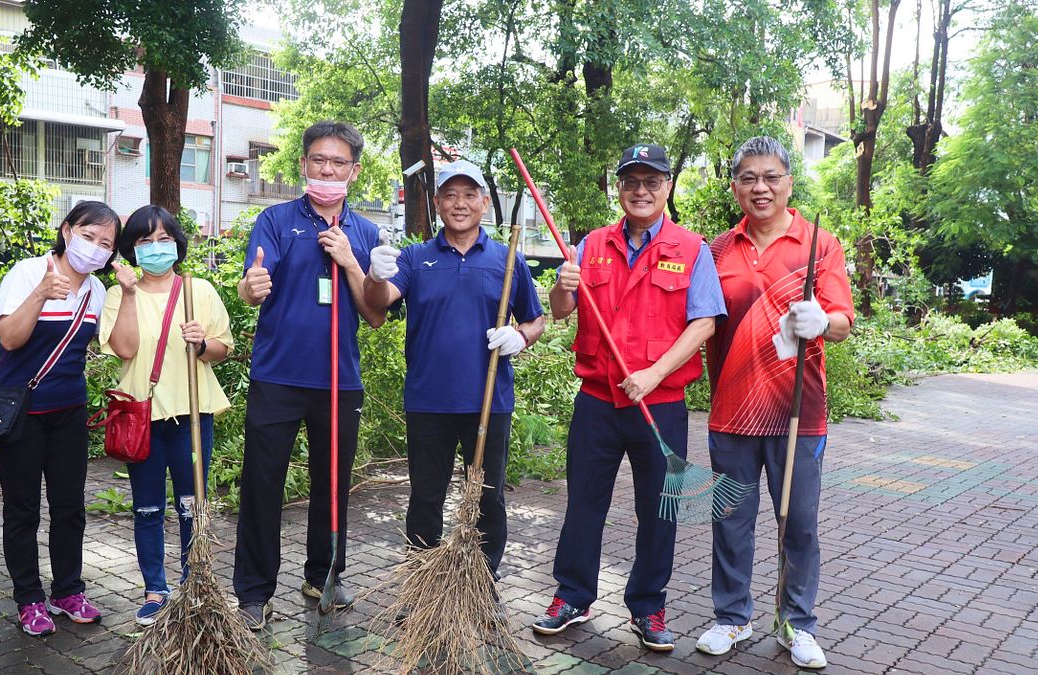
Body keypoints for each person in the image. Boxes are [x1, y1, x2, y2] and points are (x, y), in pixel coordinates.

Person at [532, 144, 726, 651]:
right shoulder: (592, 244)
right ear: (619, 188)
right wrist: (562, 286)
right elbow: (561, 310)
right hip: (597, 401)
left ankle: (648, 606)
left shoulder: (692, 249)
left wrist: (654, 374)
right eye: (631, 182)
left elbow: (704, 323)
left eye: (652, 181)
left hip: (659, 405)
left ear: (667, 187)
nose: (641, 191)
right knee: (584, 503)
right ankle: (572, 595)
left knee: (659, 511)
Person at [694, 137, 854, 669]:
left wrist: (823, 322)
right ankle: (732, 617)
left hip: (798, 414)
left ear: (788, 183)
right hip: (732, 411)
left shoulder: (819, 245)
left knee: (798, 523)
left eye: (770, 177)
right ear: (734, 186)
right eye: (748, 177)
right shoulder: (717, 250)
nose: (760, 187)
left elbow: (843, 322)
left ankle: (795, 624)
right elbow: (697, 321)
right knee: (730, 520)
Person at [232, 120, 386, 630]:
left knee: (333, 486)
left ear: (354, 171)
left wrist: (350, 262)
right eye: (319, 159)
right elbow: (252, 285)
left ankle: (324, 575)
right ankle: (255, 592)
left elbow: (376, 314)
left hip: (340, 381)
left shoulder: (366, 234)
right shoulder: (275, 220)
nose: (328, 169)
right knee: (262, 484)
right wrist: (250, 287)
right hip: (277, 376)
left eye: (338, 162)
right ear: (303, 164)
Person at [362, 159, 545, 585]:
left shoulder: (506, 259)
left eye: (469, 195)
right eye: (450, 195)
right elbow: (378, 300)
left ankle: (481, 585)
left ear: (484, 202)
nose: (459, 204)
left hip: (489, 401)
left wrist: (520, 336)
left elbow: (535, 319)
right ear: (437, 203)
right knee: (426, 498)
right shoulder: (416, 257)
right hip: (428, 401)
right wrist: (374, 275)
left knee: (487, 499)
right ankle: (421, 586)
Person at [0, 200, 119, 636]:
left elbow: (112, 347)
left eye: (105, 243)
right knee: (22, 510)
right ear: (66, 231)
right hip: (19, 414)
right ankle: (29, 599)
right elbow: (9, 339)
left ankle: (67, 591)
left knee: (69, 508)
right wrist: (41, 294)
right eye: (88, 235)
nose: (95, 247)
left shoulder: (96, 291)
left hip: (68, 413)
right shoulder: (28, 272)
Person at [98, 205, 234, 626]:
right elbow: (124, 349)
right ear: (131, 249)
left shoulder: (199, 291)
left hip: (193, 413)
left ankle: (196, 585)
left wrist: (202, 344)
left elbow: (222, 350)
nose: (156, 248)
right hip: (142, 418)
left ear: (177, 243)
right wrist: (129, 294)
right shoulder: (119, 294)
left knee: (192, 505)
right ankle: (155, 590)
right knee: (147, 508)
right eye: (145, 241)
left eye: (163, 239)